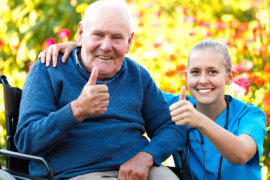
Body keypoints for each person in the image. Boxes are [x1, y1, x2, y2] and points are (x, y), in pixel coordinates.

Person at [40, 40, 267, 180]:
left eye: (213, 72)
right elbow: (132, 85)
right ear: (185, 76)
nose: (203, 80)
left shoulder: (250, 115)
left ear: (229, 77)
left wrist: (198, 120)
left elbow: (240, 154)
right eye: (195, 72)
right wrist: (78, 50)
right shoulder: (174, 104)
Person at [15, 1, 184, 180]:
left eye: (117, 37)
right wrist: (77, 110)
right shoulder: (49, 69)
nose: (106, 46)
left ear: (129, 41)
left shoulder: (138, 75)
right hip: (75, 173)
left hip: (136, 170)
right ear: (81, 33)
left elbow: (170, 127)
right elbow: (26, 142)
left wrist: (147, 156)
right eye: (98, 35)